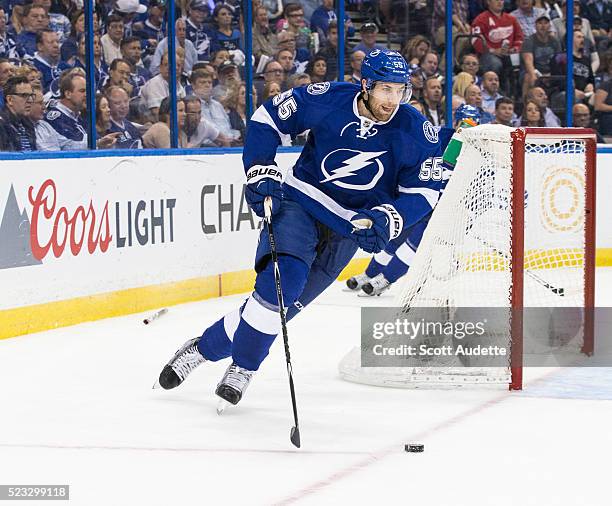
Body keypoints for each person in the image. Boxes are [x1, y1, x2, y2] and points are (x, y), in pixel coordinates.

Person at [155, 50, 453, 407]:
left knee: (274, 309)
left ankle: (202, 349)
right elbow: (267, 119)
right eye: (385, 90)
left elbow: (422, 192)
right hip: (302, 204)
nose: (392, 100)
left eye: (399, 91)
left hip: (349, 228)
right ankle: (243, 368)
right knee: (280, 285)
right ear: (366, 85)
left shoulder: (415, 130)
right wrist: (259, 168)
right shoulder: (328, 98)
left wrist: (389, 218)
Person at [347, 104, 481, 296]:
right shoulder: (442, 135)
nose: (466, 127)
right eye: (463, 122)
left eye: (472, 123)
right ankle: (369, 274)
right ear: (456, 120)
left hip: (445, 208)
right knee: (396, 238)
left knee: (415, 242)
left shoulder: (481, 151)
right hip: (423, 197)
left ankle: (385, 280)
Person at [36, 69, 87, 150]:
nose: (87, 94)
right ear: (68, 94)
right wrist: (98, 143)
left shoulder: (79, 115)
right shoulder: (55, 118)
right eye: (82, 91)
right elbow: (71, 147)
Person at [520, 14, 561, 96]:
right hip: (533, 71)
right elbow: (528, 61)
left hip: (550, 72)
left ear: (549, 26)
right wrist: (534, 74)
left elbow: (558, 61)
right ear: (535, 26)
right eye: (540, 23)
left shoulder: (555, 41)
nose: (543, 26)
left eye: (545, 23)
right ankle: (526, 104)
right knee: (529, 77)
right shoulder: (529, 41)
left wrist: (551, 75)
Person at [0, 75, 36, 151]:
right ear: (9, 99)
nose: (30, 100)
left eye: (31, 95)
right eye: (24, 95)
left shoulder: (28, 123)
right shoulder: (1, 124)